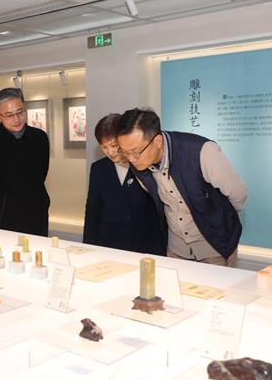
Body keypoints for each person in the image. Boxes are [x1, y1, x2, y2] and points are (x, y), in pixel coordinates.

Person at [115, 108, 247, 267]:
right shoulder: (138, 163)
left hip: (215, 247)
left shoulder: (201, 151)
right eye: (125, 152)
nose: (131, 159)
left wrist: (220, 223)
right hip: (176, 249)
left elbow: (238, 194)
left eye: (135, 152)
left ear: (157, 141)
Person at [83, 114, 167, 255]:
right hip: (108, 243)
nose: (110, 152)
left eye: (114, 145)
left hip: (144, 245)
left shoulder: (144, 164)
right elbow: (93, 209)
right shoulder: (99, 168)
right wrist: (87, 246)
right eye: (104, 147)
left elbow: (159, 210)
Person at [0, 87, 50, 236]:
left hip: (37, 211)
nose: (17, 119)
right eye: (9, 115)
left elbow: (41, 174)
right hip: (6, 215)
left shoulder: (39, 137)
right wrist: (0, 203)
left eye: (20, 112)